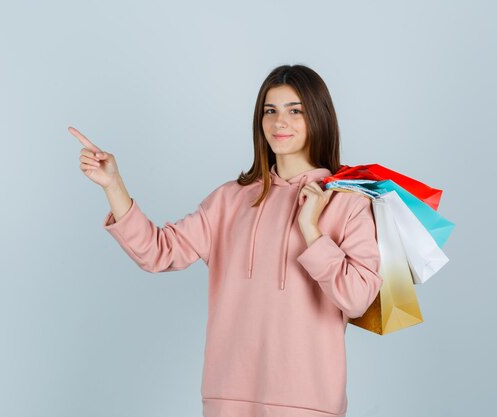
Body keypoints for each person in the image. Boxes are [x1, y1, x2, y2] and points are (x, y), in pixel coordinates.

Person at [70, 64, 383, 417]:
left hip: (309, 402)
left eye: (295, 110)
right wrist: (114, 186)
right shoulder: (229, 200)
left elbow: (357, 299)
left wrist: (311, 229)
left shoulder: (348, 201)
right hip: (228, 399)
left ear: (319, 117)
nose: (280, 122)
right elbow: (157, 252)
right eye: (271, 111)